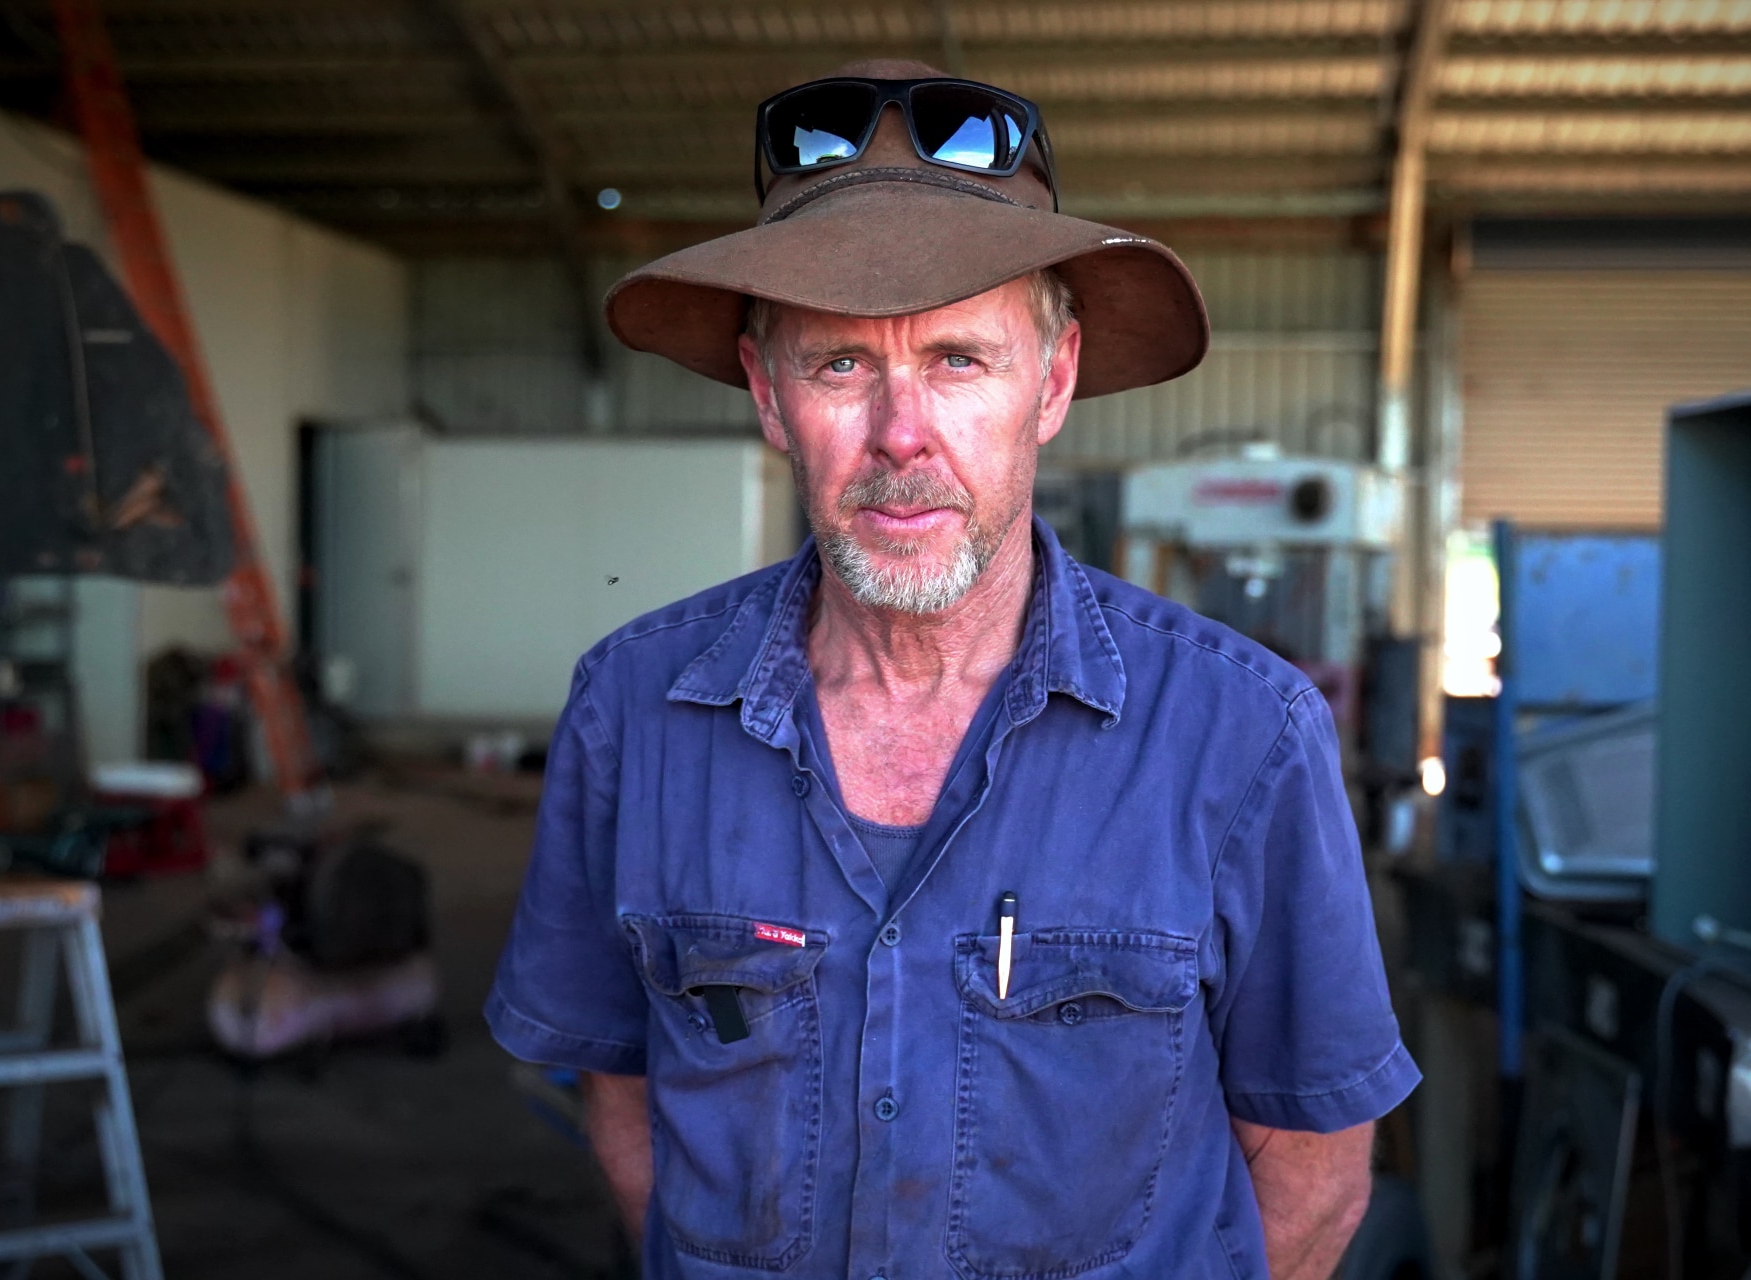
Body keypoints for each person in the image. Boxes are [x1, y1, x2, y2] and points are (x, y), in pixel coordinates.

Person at [485, 58, 1419, 1280]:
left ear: (1054, 380)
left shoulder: (1244, 735)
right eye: (840, 364)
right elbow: (624, 1102)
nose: (901, 433)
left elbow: (1313, 1176)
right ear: (767, 392)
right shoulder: (632, 712)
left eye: (959, 360)